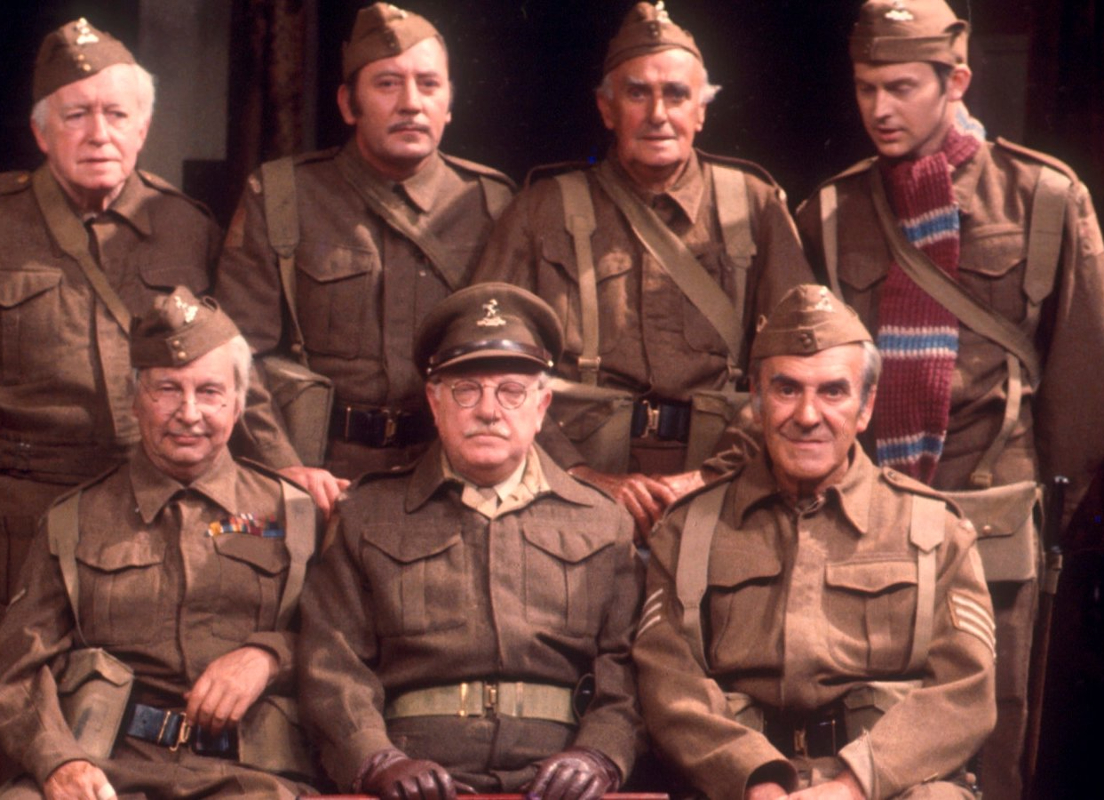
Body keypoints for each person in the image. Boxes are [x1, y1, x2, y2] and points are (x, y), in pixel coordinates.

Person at [794, 2, 1104, 795]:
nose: (878, 109)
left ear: (956, 80)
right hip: (864, 519)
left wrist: (1042, 511)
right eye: (865, 88)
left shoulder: (1041, 198)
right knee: (860, 725)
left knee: (991, 734)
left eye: (899, 86)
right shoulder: (832, 211)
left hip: (993, 509)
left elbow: (1079, 389)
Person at [0, 19, 220, 794]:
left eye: (116, 113)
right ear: (41, 131)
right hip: (15, 509)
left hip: (143, 509)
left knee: (134, 726)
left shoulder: (188, 229)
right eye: (74, 113)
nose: (98, 132)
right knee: (17, 736)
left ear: (144, 126)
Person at [635, 284, 996, 799]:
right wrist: (756, 779)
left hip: (891, 785)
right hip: (737, 784)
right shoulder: (690, 529)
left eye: (833, 391)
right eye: (787, 390)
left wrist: (853, 784)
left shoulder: (935, 530)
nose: (808, 415)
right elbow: (668, 682)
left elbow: (963, 692)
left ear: (866, 406)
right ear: (756, 402)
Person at [473, 1, 812, 541]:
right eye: (637, 93)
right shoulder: (541, 210)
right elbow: (487, 357)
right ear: (606, 109)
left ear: (701, 110)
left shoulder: (754, 207)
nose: (659, 113)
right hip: (565, 491)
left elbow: (805, 358)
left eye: (676, 94)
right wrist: (579, 475)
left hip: (728, 491)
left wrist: (712, 476)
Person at [299, 283, 644, 800]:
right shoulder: (368, 515)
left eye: (511, 391)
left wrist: (600, 754)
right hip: (415, 781)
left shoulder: (602, 520)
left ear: (542, 405)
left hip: (562, 784)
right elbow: (332, 663)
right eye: (466, 390)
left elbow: (629, 667)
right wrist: (376, 761)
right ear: (434, 404)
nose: (488, 410)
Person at [0, 287, 317, 799]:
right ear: (135, 399)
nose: (188, 413)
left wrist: (270, 656)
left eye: (209, 392)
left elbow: (347, 647)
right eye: (167, 389)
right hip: (105, 766)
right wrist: (58, 761)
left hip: (251, 775)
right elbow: (16, 670)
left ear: (238, 403)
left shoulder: (292, 513)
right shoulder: (74, 519)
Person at [215, 2, 515, 517]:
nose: (411, 103)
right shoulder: (283, 196)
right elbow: (237, 355)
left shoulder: (491, 205)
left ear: (450, 103)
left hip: (448, 482)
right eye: (386, 84)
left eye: (428, 84)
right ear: (347, 103)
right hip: (320, 478)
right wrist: (283, 467)